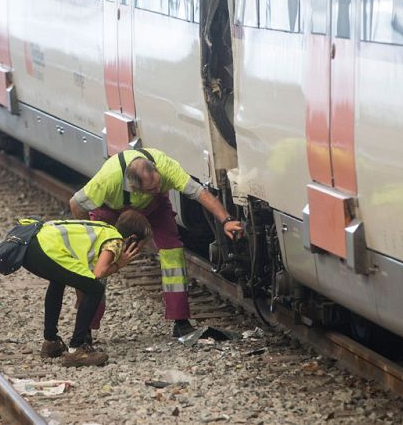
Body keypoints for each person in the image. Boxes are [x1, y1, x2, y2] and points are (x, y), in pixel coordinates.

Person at [70, 148, 244, 338]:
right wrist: (89, 238)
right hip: (110, 210)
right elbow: (76, 204)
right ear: (134, 187)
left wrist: (226, 220)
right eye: (151, 189)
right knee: (96, 262)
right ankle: (84, 328)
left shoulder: (166, 168)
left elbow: (199, 193)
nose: (158, 189)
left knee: (173, 253)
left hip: (154, 208)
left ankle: (181, 322)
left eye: (159, 184)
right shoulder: (108, 179)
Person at [22, 210, 151, 367]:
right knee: (95, 289)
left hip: (31, 243)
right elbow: (99, 273)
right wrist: (119, 264)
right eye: (140, 246)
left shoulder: (104, 229)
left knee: (58, 280)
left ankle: (51, 342)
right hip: (43, 246)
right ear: (132, 239)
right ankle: (77, 350)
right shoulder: (116, 241)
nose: (139, 251)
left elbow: (84, 272)